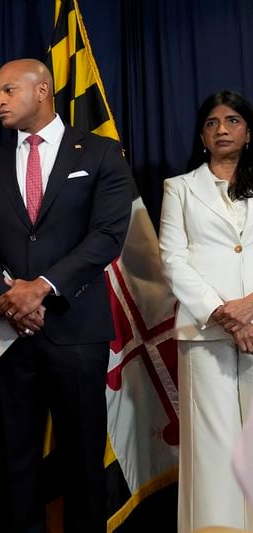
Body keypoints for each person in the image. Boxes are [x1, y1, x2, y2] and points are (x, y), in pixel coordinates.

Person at [0, 58, 132, 532]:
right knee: (16, 462)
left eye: (8, 90)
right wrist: (5, 297)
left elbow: (106, 236)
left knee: (82, 458)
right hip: (8, 335)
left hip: (76, 330)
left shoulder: (99, 154)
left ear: (42, 91)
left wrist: (40, 289)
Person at [159, 90, 253, 533]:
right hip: (205, 333)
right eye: (212, 123)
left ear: (248, 131)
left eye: (232, 120)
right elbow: (172, 259)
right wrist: (223, 312)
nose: (222, 130)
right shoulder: (179, 188)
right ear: (201, 135)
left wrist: (250, 307)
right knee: (214, 451)